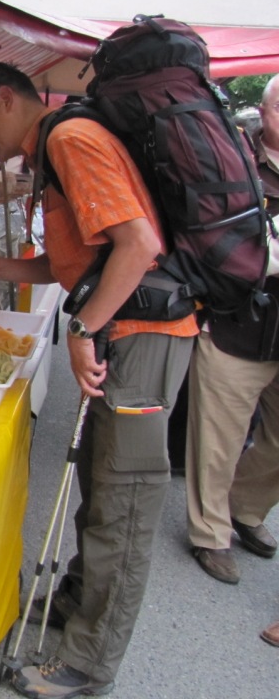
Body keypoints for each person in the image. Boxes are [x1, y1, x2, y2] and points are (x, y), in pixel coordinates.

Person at [0, 63, 197, 699]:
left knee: (124, 502)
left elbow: (138, 246)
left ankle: (88, 662)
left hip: (141, 338)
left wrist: (81, 333)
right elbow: (78, 259)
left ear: (6, 98)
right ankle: (76, 604)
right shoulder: (54, 150)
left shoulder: (69, 141)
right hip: (124, 333)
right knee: (99, 484)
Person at [185, 74, 279, 589]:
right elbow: (205, 232)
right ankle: (211, 532)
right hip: (238, 323)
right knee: (216, 441)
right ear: (263, 112)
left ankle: (245, 505)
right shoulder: (234, 159)